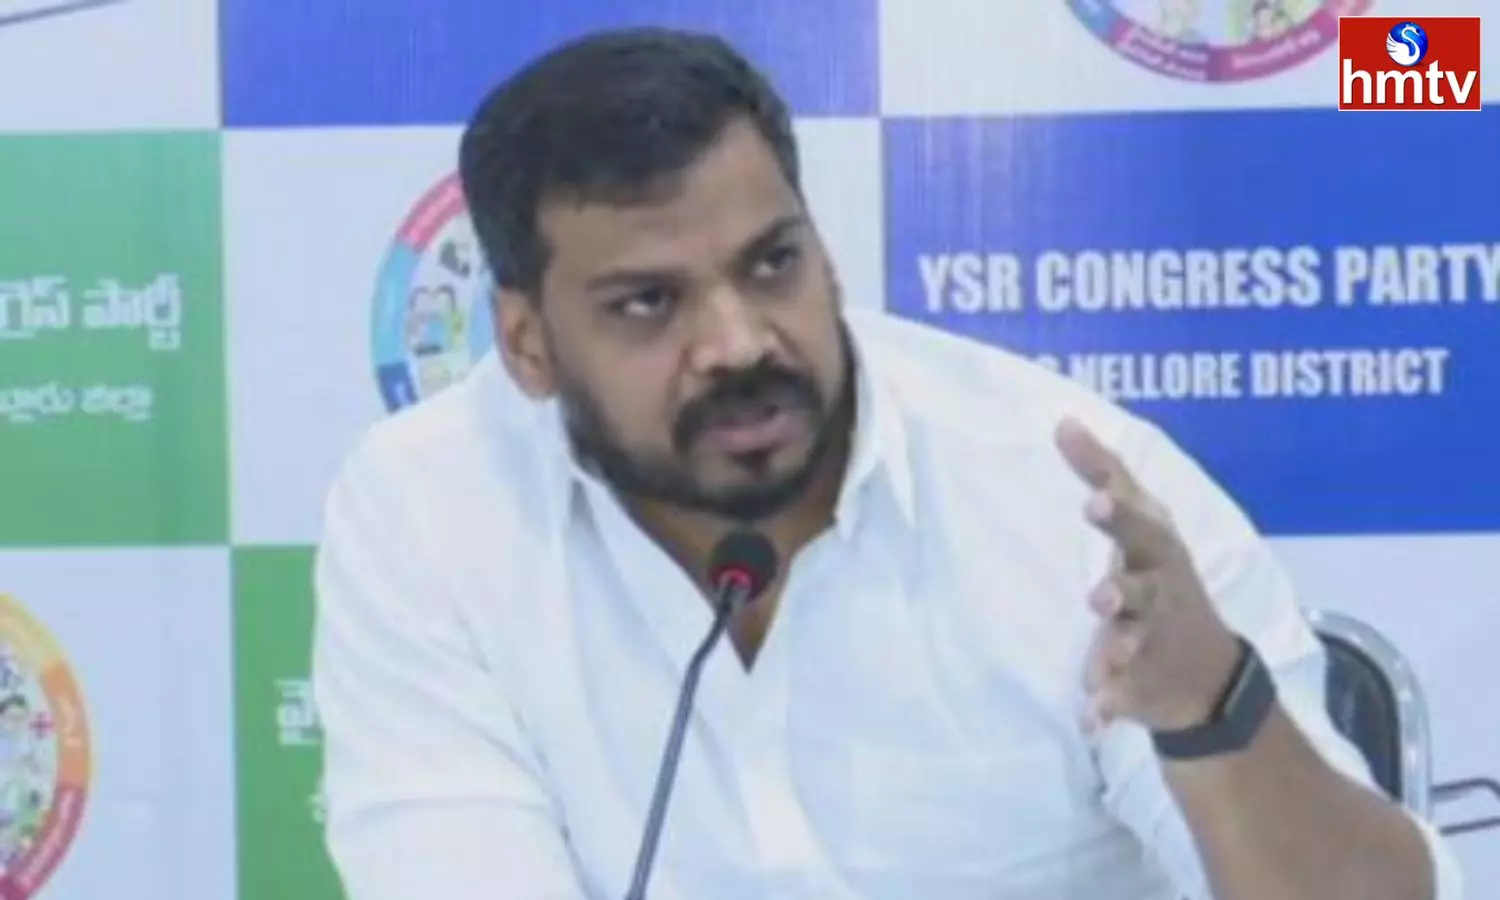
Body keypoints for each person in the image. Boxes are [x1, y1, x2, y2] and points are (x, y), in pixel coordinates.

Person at [311, 26, 1463, 900]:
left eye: (771, 264)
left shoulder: (1078, 496)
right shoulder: (428, 508)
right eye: (650, 303)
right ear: (526, 343)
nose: (738, 343)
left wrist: (1213, 708)